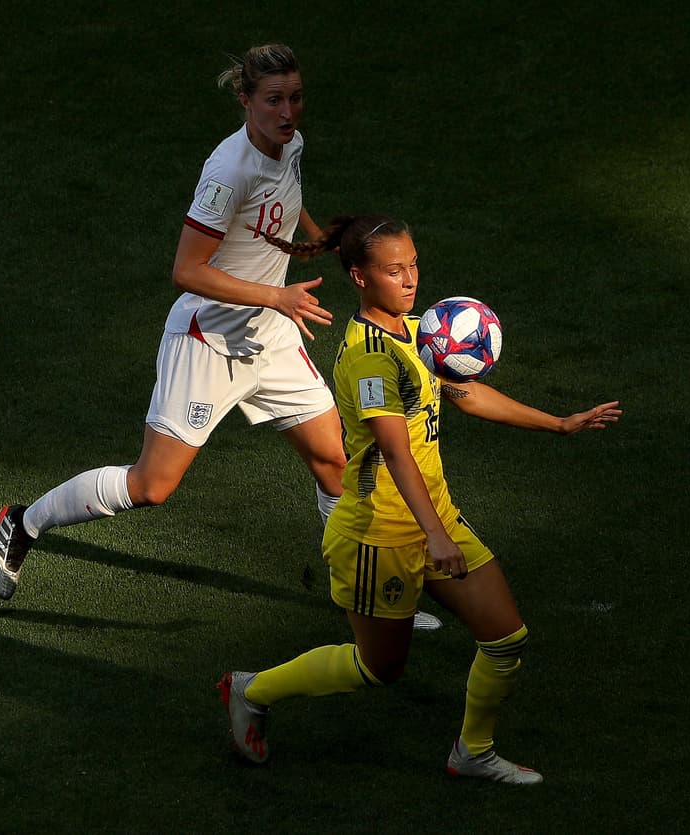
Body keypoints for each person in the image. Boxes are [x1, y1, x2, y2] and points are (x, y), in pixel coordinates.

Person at [0, 46, 442, 630]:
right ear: (245, 100)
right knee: (152, 486)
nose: (288, 111)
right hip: (207, 340)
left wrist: (315, 237)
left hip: (271, 337)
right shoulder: (227, 174)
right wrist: (277, 294)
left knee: (334, 461)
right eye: (273, 100)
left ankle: (363, 592)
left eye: (295, 97)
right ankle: (22, 523)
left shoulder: (290, 144)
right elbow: (187, 270)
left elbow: (282, 200)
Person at [218, 215, 622, 784]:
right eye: (393, 270)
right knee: (379, 668)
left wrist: (558, 423)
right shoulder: (368, 357)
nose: (409, 280)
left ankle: (472, 751)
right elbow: (395, 449)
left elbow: (465, 391)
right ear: (359, 278)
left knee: (507, 638)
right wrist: (434, 535)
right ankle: (250, 690)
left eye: (412, 266)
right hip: (378, 535)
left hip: (435, 519)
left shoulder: (420, 331)